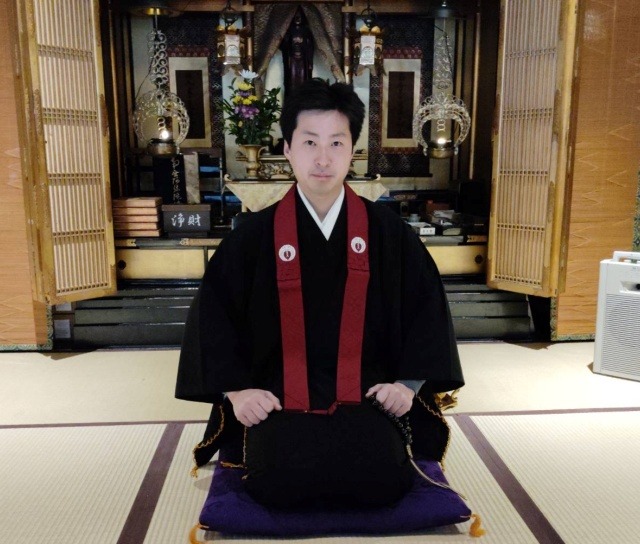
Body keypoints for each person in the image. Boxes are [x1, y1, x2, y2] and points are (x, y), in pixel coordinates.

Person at [176, 79, 463, 509]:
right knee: (276, 483)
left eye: (336, 143)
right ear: (288, 149)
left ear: (352, 152)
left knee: (383, 481)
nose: (323, 159)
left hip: (369, 393)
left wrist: (406, 386)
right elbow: (215, 317)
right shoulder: (252, 237)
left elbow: (426, 312)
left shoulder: (389, 234)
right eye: (310, 142)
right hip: (278, 396)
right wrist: (238, 392)